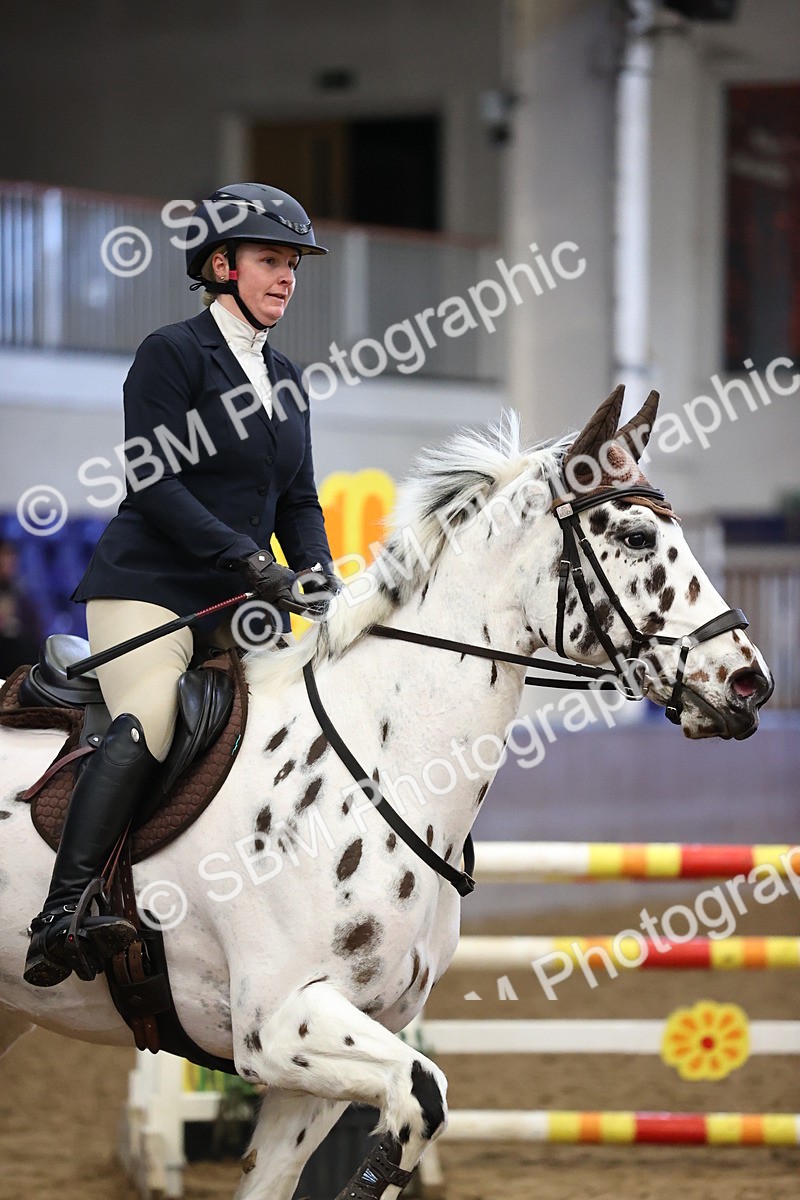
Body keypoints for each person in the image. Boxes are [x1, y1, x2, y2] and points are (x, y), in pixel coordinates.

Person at [24, 182, 339, 988]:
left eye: (293, 265)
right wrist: (248, 561)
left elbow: (299, 500)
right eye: (271, 261)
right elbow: (154, 480)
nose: (287, 278)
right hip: (150, 584)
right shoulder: (173, 352)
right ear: (221, 265)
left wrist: (318, 575)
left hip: (235, 604)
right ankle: (62, 910)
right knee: (153, 714)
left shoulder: (289, 378)